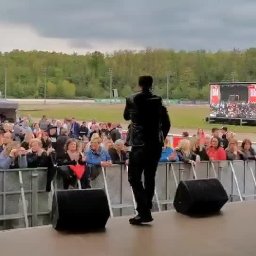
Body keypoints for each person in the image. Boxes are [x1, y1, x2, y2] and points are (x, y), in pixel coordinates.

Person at [123, 75, 171, 225]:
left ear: (139, 84)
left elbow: (125, 117)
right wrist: (159, 139)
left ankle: (144, 210)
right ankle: (146, 208)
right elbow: (167, 124)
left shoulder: (132, 99)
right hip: (155, 146)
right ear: (151, 84)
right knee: (150, 177)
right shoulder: (158, 102)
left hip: (139, 145)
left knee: (134, 178)